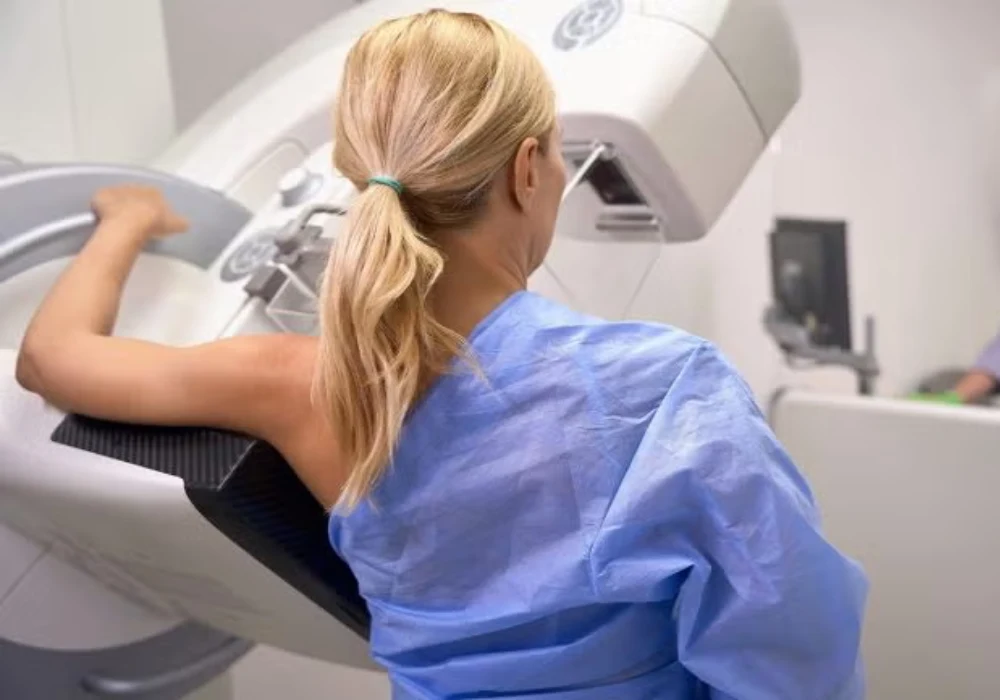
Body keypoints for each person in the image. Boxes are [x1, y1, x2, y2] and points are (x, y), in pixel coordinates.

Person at [15, 10, 867, 699]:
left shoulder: (298, 385)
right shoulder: (661, 391)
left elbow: (50, 360)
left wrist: (124, 221)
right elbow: (792, 664)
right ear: (529, 170)